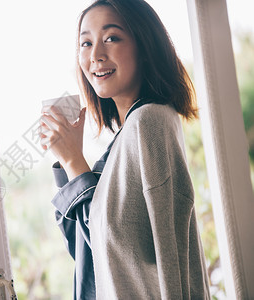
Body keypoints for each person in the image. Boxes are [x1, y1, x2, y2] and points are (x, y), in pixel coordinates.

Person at [39, 0, 211, 299]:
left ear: (145, 46)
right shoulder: (129, 133)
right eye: (86, 43)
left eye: (111, 38)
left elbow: (116, 246)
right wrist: (70, 164)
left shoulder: (149, 122)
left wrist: (73, 160)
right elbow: (92, 250)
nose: (96, 55)